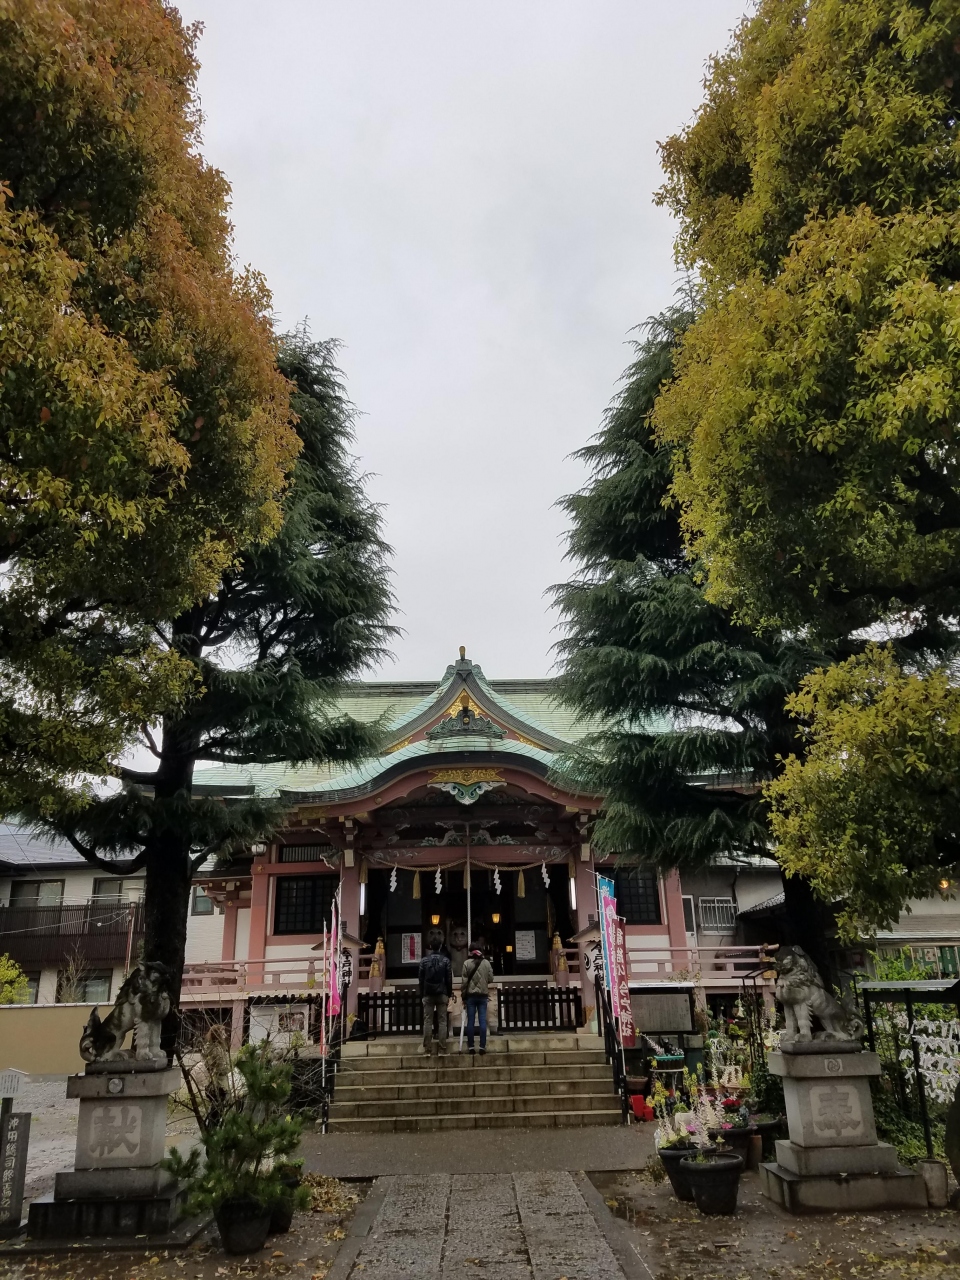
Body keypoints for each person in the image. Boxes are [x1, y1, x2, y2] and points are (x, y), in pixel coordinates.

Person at [418, 937, 452, 1056]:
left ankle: (427, 1049)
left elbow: (421, 979)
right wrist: (448, 993)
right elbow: (449, 979)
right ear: (441, 946)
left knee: (428, 1021)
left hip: (428, 993)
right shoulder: (446, 960)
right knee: (442, 1021)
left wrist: (422, 993)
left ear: (430, 947)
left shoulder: (424, 961)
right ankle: (442, 1049)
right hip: (442, 992)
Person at [461, 946, 495, 1055]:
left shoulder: (466, 963)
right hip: (483, 995)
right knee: (482, 1021)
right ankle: (482, 1046)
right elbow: (491, 979)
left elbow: (464, 982)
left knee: (470, 1021)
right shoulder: (486, 963)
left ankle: (471, 1046)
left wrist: (463, 996)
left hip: (470, 996)